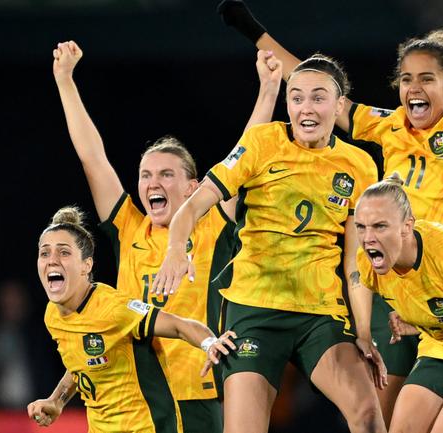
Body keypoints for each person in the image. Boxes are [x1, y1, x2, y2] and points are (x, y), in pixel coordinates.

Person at [217, 0, 443, 423]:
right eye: (407, 79)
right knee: (377, 416)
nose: (414, 88)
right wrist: (255, 32)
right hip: (394, 292)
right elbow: (317, 90)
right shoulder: (388, 124)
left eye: (427, 79)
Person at [52, 40, 281, 432]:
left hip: (196, 391)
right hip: (132, 394)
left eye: (165, 174)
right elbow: (93, 157)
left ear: (194, 187)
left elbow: (246, 158)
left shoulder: (212, 224)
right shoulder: (129, 227)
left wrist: (269, 90)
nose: (152, 182)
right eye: (145, 175)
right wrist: (65, 81)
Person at [153, 54, 386, 433]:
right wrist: (176, 250)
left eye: (318, 97)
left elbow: (354, 262)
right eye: (296, 98)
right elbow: (194, 205)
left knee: (368, 419)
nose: (305, 108)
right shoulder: (261, 143)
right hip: (255, 312)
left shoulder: (360, 165)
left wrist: (362, 331)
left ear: (339, 106)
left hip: (320, 315)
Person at [27, 206, 237, 432]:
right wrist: (57, 400)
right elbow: (80, 361)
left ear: (86, 265)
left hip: (147, 427)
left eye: (64, 252)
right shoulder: (53, 314)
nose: (52, 260)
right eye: (44, 253)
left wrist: (209, 343)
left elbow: (178, 325)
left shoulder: (114, 308)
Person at [353, 173, 443, 433]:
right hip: (438, 348)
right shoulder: (368, 262)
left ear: (407, 226)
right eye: (361, 227)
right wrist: (416, 322)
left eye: (380, 226)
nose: (368, 237)